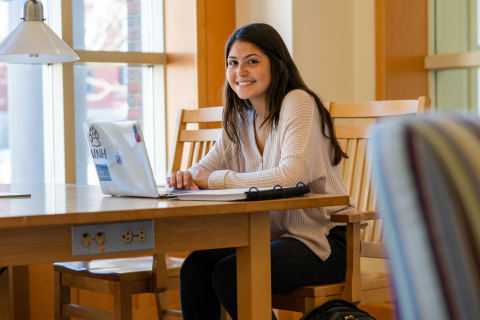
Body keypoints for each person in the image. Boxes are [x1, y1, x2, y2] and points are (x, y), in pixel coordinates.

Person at [166, 23, 356, 320]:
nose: (240, 71)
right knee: (196, 268)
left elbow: (291, 176)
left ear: (278, 66)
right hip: (269, 239)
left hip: (324, 242)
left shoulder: (299, 102)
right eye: (233, 63)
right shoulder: (243, 116)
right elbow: (206, 166)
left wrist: (212, 180)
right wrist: (186, 177)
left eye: (252, 61)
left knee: (232, 274)